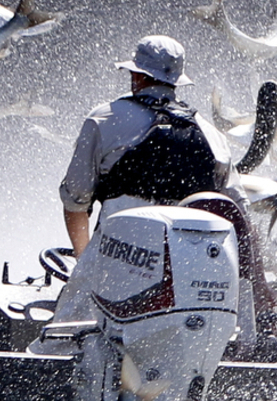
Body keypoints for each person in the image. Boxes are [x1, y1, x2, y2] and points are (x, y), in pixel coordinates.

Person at [56, 35, 233, 255]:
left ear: (138, 75)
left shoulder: (105, 119)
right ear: (176, 80)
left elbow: (76, 200)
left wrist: (83, 261)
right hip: (188, 266)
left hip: (117, 259)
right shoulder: (212, 135)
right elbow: (236, 209)